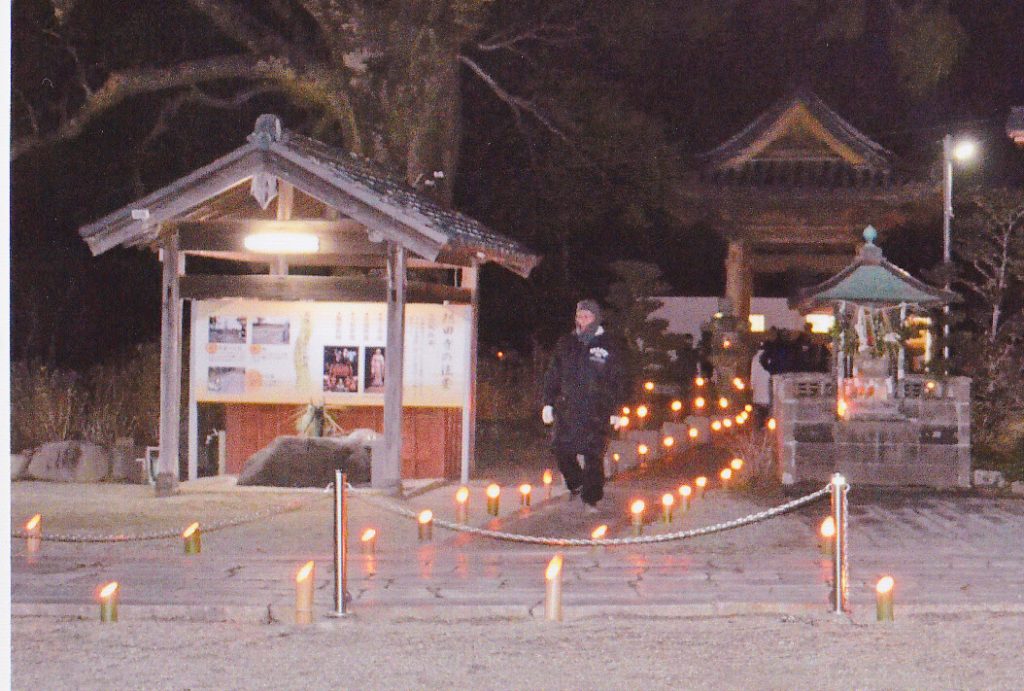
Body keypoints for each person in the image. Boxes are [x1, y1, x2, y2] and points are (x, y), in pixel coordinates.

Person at [542, 299, 628, 513]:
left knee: (593, 454)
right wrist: (548, 402)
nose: (582, 321)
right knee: (560, 448)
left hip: (597, 409)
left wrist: (617, 409)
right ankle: (576, 483)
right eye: (579, 316)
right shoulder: (566, 343)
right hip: (568, 407)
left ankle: (591, 497)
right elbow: (553, 373)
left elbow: (619, 378)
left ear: (596, 317)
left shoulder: (608, 344)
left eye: (587, 316)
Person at [750, 342, 771, 425]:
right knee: (767, 416)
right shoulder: (770, 358)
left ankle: (759, 428)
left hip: (757, 395)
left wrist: (752, 389)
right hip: (768, 395)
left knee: (759, 416)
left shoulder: (754, 359)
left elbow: (753, 376)